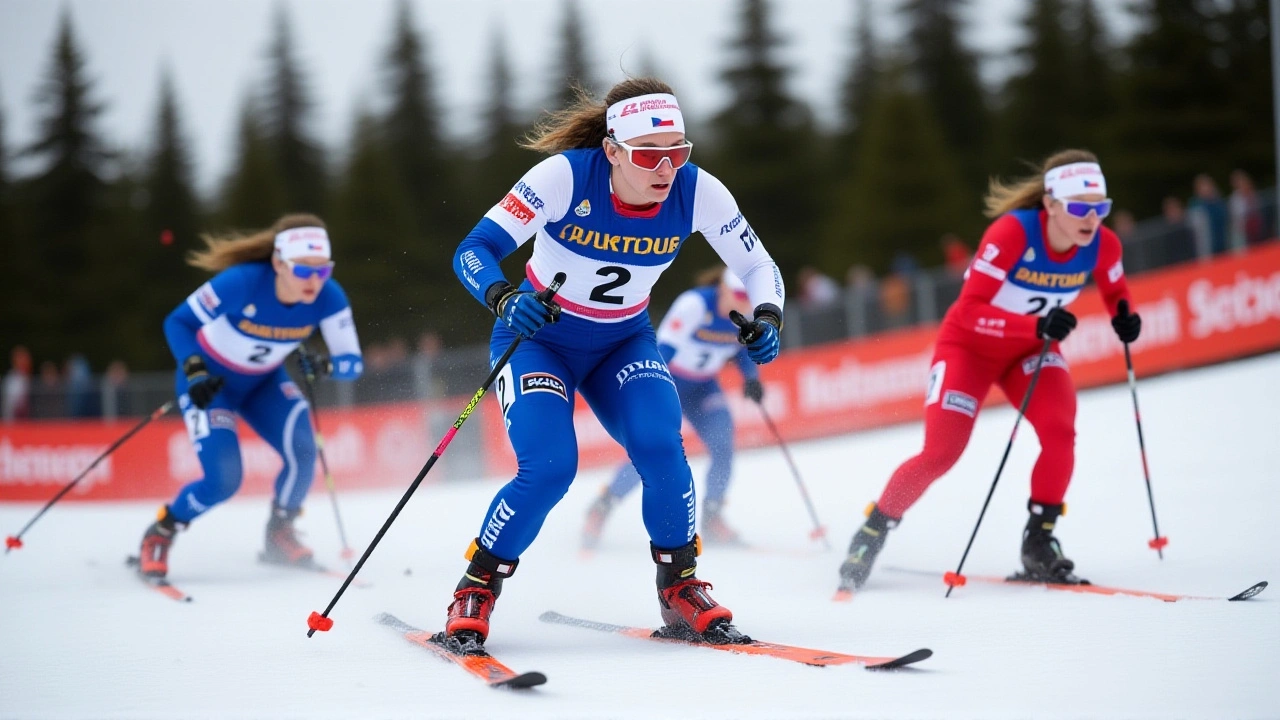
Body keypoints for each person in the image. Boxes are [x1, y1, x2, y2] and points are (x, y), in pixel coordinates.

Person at [446, 77, 784, 648]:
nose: (666, 168)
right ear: (612, 150)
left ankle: (679, 586)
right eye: (649, 155)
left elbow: (757, 265)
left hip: (622, 341)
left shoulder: (698, 191)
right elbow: (472, 250)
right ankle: (476, 585)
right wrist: (505, 297)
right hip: (539, 340)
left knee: (661, 445)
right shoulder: (564, 177)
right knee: (550, 469)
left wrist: (769, 315)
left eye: (678, 152)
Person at [837, 150, 1140, 592]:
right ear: (1051, 204)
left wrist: (1124, 315)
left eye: (1100, 208)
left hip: (1029, 353)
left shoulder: (1103, 243)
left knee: (1060, 431)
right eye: (1079, 207)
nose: (1091, 218)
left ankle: (1039, 541)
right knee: (942, 452)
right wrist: (1036, 324)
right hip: (969, 349)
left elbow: (1116, 289)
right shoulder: (1013, 233)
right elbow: (971, 308)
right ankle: (873, 529)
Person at [135, 214, 364, 579]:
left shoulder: (330, 296)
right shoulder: (242, 282)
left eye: (322, 270)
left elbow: (352, 363)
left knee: (304, 449)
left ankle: (280, 531)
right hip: (211, 385)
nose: (314, 281)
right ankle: (161, 530)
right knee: (223, 480)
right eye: (304, 271)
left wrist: (325, 366)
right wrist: (195, 370)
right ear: (278, 263)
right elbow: (178, 322)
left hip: (263, 384)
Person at [582, 266, 765, 550]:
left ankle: (713, 515)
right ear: (723, 289)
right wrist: (648, 392)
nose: (745, 303)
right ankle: (603, 506)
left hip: (704, 387)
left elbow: (743, 350)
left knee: (723, 444)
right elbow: (663, 349)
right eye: (739, 295)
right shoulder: (694, 305)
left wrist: (751, 379)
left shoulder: (748, 313)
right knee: (653, 450)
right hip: (671, 382)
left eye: (748, 297)